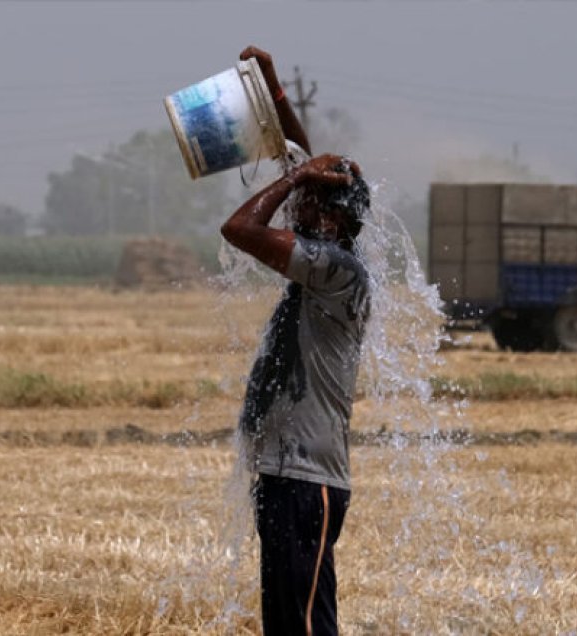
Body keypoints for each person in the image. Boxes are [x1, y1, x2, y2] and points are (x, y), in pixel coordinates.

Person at [221, 46, 371, 636]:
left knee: (307, 628)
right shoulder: (328, 260)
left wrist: (295, 176)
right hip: (288, 476)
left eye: (310, 201)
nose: (298, 207)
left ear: (334, 222)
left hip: (310, 483)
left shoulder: (336, 269)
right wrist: (274, 90)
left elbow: (239, 229)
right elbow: (305, 159)